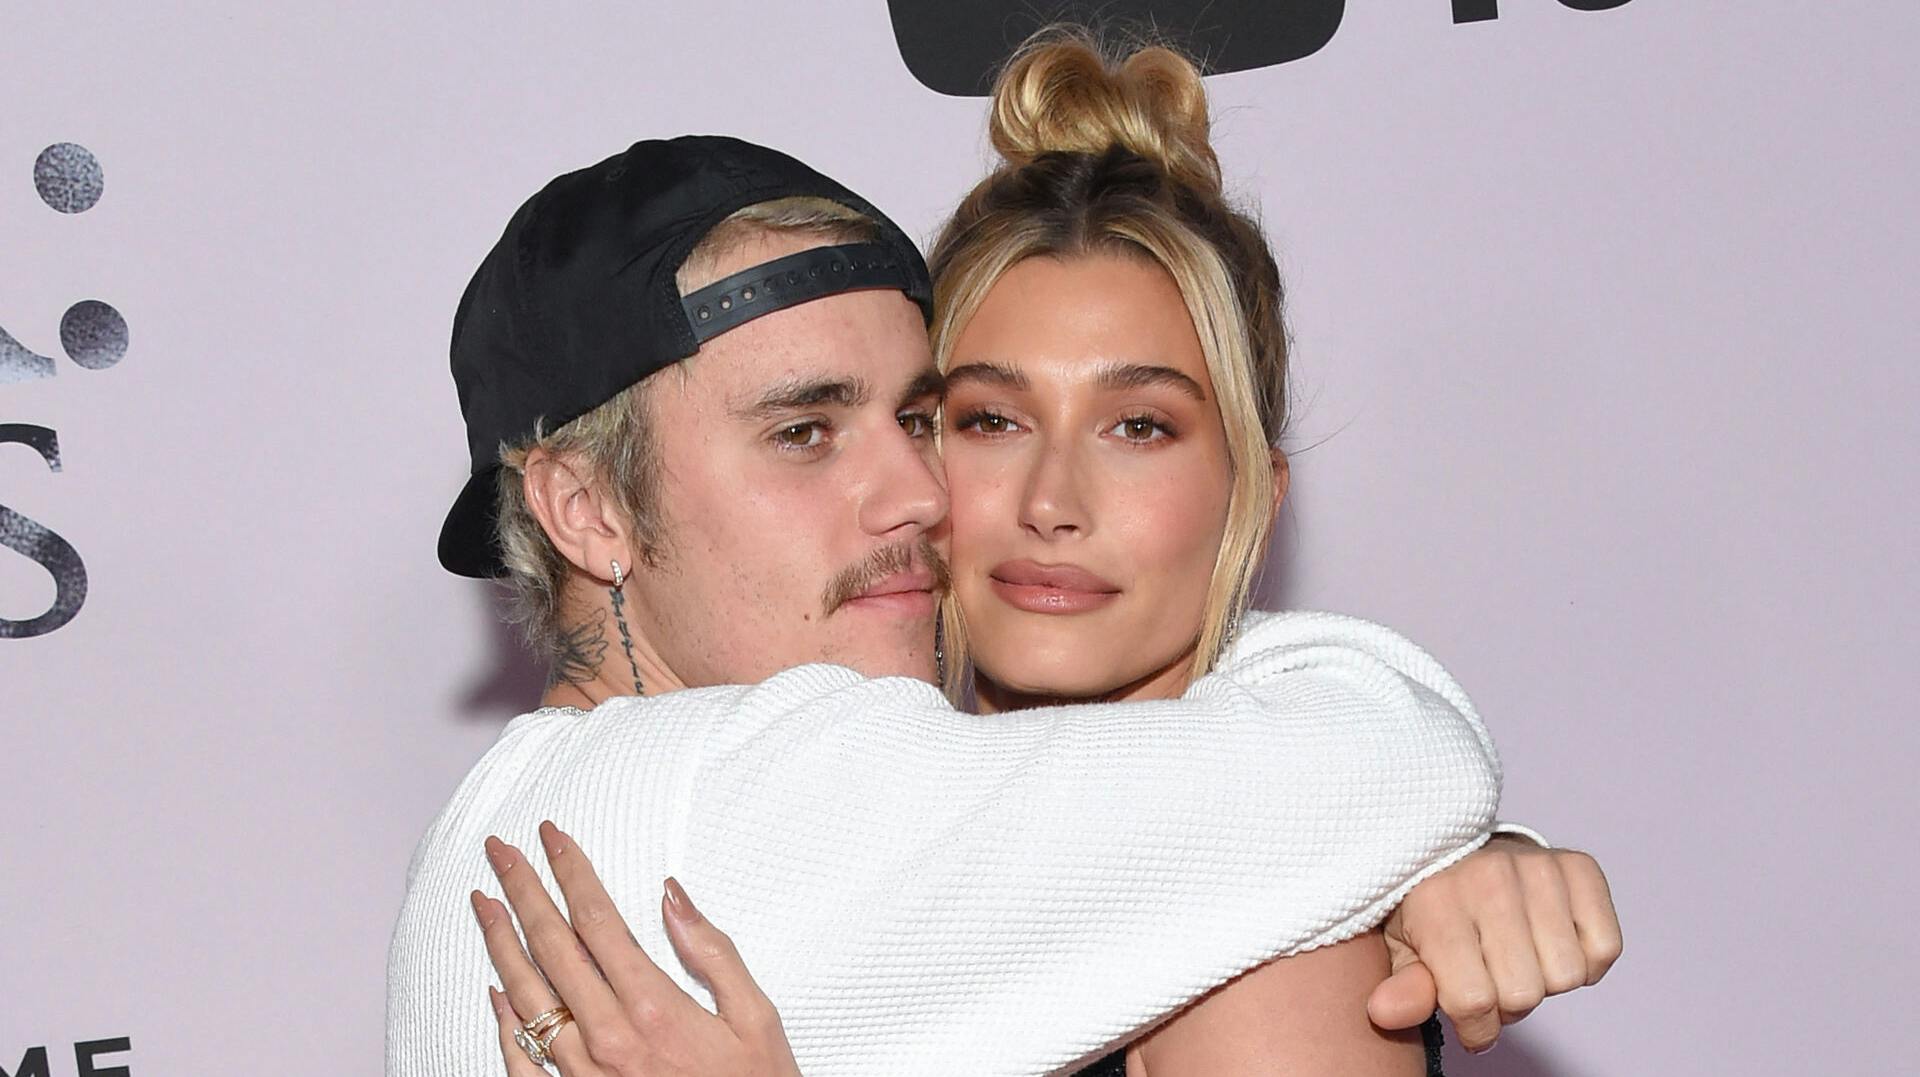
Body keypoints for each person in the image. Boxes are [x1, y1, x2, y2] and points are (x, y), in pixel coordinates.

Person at [388, 121, 1612, 1077]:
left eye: (922, 419)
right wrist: (1433, 843)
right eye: (804, 431)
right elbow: (1383, 761)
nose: (918, 493)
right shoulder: (744, 791)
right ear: (586, 510)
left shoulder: (499, 819)